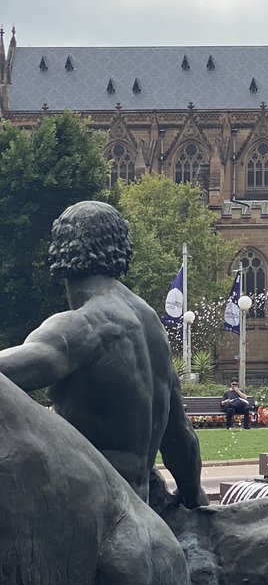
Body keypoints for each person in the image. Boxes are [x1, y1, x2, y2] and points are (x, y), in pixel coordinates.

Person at [0, 200, 206, 508]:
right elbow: (180, 437)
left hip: (87, 516)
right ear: (122, 250)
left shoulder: (83, 326)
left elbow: (7, 375)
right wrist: (195, 503)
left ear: (59, 250)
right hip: (140, 512)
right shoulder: (151, 324)